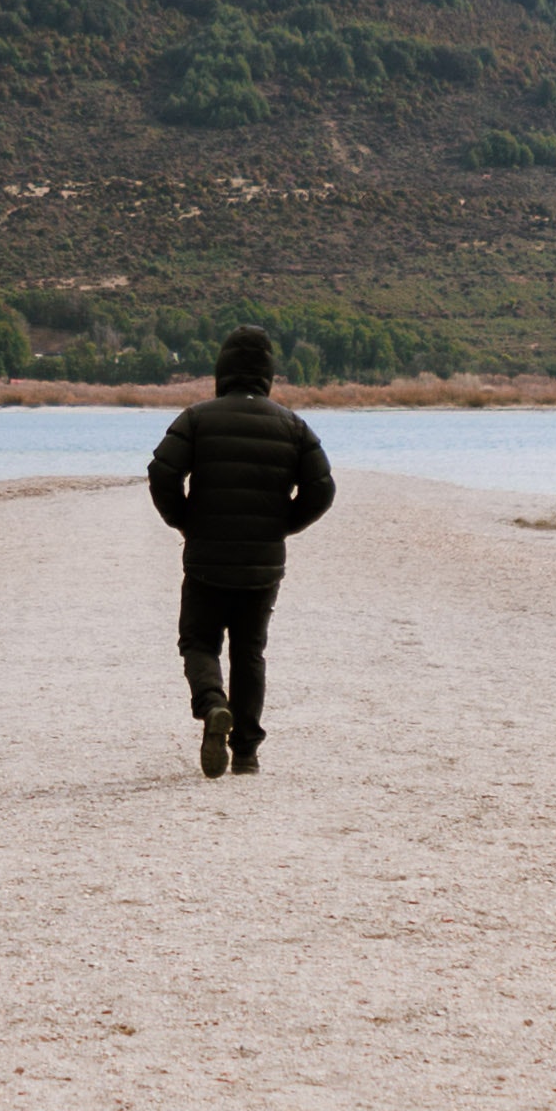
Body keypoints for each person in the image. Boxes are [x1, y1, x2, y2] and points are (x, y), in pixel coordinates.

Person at [144, 327, 335, 779]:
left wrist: (185, 519)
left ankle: (213, 705)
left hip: (206, 558)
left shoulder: (196, 418)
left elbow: (161, 473)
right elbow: (322, 490)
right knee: (249, 652)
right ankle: (246, 752)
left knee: (198, 642)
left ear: (222, 371)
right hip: (262, 563)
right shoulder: (293, 425)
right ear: (268, 374)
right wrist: (281, 526)